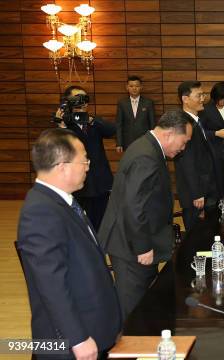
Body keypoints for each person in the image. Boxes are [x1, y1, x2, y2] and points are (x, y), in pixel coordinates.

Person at [17, 128, 122, 359]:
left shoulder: (62, 201)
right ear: (62, 166)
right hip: (71, 344)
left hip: (94, 327)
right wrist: (77, 338)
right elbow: (51, 284)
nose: (88, 166)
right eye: (84, 160)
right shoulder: (41, 211)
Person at [98, 111, 192, 320]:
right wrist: (143, 247)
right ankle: (128, 350)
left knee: (145, 304)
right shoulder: (146, 156)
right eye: (183, 142)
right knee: (132, 310)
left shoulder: (148, 147)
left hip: (138, 241)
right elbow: (134, 206)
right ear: (169, 134)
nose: (183, 148)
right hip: (132, 247)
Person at [56, 85, 115, 231]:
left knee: (100, 225)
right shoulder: (65, 124)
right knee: (77, 225)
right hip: (77, 183)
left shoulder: (92, 121)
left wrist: (90, 120)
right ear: (67, 101)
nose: (81, 102)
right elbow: (63, 149)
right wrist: (62, 127)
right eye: (77, 98)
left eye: (84, 98)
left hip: (99, 181)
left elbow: (111, 130)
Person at [174, 81, 224, 231]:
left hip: (208, 187)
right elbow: (186, 161)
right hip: (196, 194)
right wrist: (197, 194)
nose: (203, 98)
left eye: (203, 94)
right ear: (185, 99)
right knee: (195, 238)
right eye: (199, 95)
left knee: (208, 234)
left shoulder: (198, 120)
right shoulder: (182, 124)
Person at [200, 81, 224, 194]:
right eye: (222, 98)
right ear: (215, 96)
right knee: (217, 186)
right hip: (214, 153)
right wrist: (216, 133)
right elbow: (200, 132)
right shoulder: (205, 110)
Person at [115, 75, 156, 153]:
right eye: (131, 86)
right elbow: (119, 124)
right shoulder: (122, 103)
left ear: (141, 87)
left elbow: (152, 124)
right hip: (127, 141)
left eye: (137, 86)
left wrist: (153, 141)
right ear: (127, 87)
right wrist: (119, 143)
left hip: (145, 141)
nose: (134, 88)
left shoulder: (148, 103)